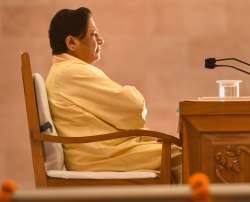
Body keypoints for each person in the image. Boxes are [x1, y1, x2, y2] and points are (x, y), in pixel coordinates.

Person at [46, 7, 181, 178]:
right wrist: (132, 94)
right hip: (99, 156)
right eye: (93, 34)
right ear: (72, 42)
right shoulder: (70, 72)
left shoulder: (65, 70)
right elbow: (133, 106)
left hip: (100, 151)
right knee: (182, 156)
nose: (100, 40)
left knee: (176, 151)